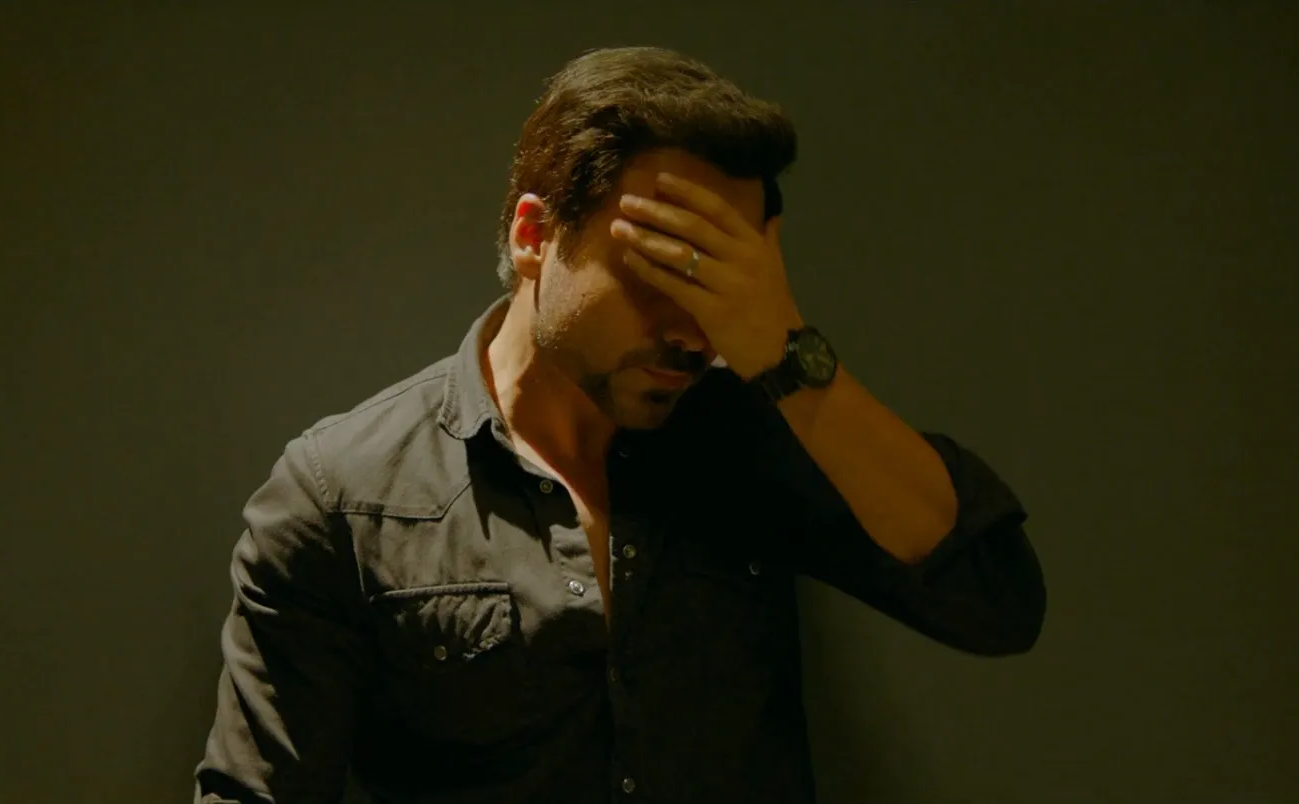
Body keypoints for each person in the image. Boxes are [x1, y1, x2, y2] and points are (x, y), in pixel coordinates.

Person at [194, 46, 1045, 803]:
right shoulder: (345, 495)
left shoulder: (751, 439)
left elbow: (995, 602)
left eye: (721, 285)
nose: (693, 331)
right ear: (535, 234)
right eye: (659, 270)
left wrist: (786, 349)